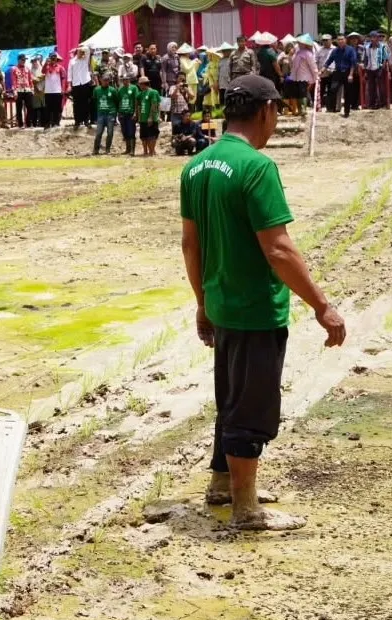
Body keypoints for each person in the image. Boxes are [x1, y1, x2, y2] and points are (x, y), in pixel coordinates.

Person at [179, 74, 345, 531]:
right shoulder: (257, 167)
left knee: (230, 398)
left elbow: (190, 245)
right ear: (267, 111)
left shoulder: (197, 165)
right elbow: (279, 249)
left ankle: (221, 484)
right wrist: (321, 305)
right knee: (251, 409)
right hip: (254, 309)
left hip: (220, 302)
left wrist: (201, 301)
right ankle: (246, 507)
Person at [325, 34, 359, 116]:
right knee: (332, 89)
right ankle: (331, 109)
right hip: (338, 72)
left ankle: (346, 111)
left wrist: (350, 75)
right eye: (339, 39)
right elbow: (329, 61)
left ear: (345, 40)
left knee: (348, 92)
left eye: (342, 39)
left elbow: (353, 63)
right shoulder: (335, 51)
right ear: (336, 41)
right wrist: (322, 70)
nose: (340, 41)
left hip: (348, 72)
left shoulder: (350, 50)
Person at [288, 37, 317, 116]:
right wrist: (290, 56)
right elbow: (292, 64)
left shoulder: (308, 53)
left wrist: (315, 75)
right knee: (297, 93)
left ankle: (303, 109)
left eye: (300, 43)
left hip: (304, 76)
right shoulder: (297, 53)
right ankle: (299, 110)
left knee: (303, 93)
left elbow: (313, 65)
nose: (298, 44)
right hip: (295, 76)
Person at [364, 31, 390, 109]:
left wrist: (382, 67)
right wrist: (365, 69)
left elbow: (385, 58)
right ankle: (372, 104)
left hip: (379, 68)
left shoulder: (383, 46)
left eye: (374, 37)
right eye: (371, 37)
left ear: (378, 38)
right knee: (371, 87)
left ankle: (382, 103)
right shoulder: (366, 47)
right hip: (370, 68)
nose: (372, 39)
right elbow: (365, 58)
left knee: (381, 87)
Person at [135, 76, 160, 156]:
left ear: (143, 84)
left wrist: (151, 117)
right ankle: (146, 151)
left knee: (152, 136)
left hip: (151, 118)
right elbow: (138, 104)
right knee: (144, 136)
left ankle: (151, 152)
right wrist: (138, 115)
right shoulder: (140, 94)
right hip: (143, 118)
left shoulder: (153, 92)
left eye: (140, 84)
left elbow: (154, 105)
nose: (139, 86)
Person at [92, 73, 117, 155]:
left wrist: (114, 114)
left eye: (107, 80)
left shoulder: (112, 90)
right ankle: (96, 150)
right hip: (101, 114)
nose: (106, 82)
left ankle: (107, 149)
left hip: (110, 114)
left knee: (110, 133)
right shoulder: (96, 90)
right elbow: (95, 101)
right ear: (101, 80)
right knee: (98, 133)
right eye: (104, 80)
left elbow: (116, 101)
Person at [116, 73, 138, 155]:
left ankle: (132, 150)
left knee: (131, 131)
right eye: (124, 80)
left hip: (130, 113)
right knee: (124, 131)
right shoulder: (120, 89)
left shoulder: (134, 88)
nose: (125, 81)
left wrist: (135, 112)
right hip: (122, 113)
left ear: (129, 80)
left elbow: (136, 100)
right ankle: (127, 149)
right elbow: (119, 101)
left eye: (126, 79)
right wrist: (118, 112)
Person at [43, 53, 67, 128]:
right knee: (48, 108)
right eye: (52, 58)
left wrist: (63, 89)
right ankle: (47, 124)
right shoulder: (46, 66)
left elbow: (63, 79)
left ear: (56, 58)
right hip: (48, 91)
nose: (53, 59)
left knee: (57, 108)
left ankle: (56, 123)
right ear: (49, 58)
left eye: (54, 57)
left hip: (57, 90)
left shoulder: (60, 68)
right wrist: (45, 63)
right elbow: (43, 71)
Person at [11, 54, 33, 128]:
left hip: (27, 89)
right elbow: (13, 80)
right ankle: (20, 124)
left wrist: (32, 88)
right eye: (22, 60)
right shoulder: (14, 69)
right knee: (19, 108)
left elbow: (30, 79)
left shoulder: (27, 68)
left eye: (25, 60)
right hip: (18, 89)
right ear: (19, 60)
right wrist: (14, 91)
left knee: (30, 107)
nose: (24, 61)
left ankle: (28, 123)